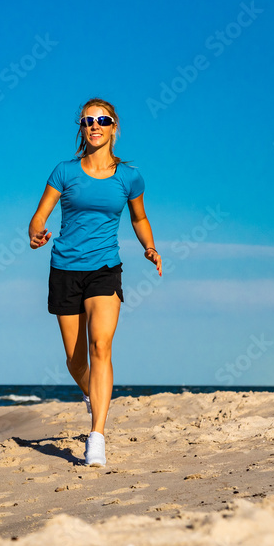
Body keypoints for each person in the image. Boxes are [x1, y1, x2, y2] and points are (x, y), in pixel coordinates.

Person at [28, 97, 161, 467]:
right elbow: (39, 217)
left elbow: (138, 218)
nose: (95, 125)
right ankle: (92, 392)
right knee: (75, 360)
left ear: (114, 126)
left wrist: (149, 247)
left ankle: (96, 437)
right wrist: (36, 232)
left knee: (100, 345)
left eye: (102, 120)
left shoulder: (129, 177)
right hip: (65, 269)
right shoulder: (64, 172)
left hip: (105, 269)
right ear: (81, 129)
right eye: (87, 121)